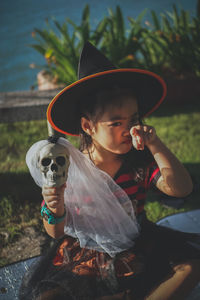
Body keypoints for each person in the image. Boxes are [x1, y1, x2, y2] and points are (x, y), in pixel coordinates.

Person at [20, 42, 200, 300]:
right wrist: (54, 206)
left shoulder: (138, 163)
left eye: (134, 119)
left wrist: (155, 145)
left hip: (135, 245)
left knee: (191, 267)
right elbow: (56, 233)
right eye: (116, 122)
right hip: (87, 252)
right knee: (47, 297)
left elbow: (182, 188)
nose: (128, 130)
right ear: (88, 126)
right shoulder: (71, 168)